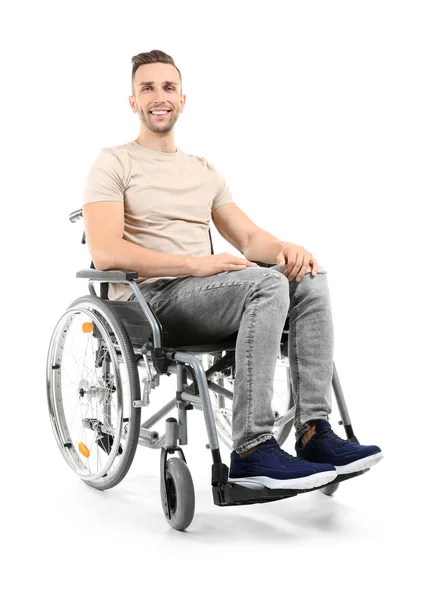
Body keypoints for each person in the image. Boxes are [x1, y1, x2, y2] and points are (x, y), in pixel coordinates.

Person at [83, 49, 383, 491]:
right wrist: (195, 264)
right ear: (133, 101)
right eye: (147, 88)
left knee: (309, 278)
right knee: (266, 284)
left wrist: (286, 248)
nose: (158, 97)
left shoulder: (203, 170)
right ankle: (251, 447)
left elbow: (247, 239)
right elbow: (107, 251)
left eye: (168, 87)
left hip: (205, 292)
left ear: (183, 99)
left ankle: (314, 432)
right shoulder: (113, 162)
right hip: (152, 300)